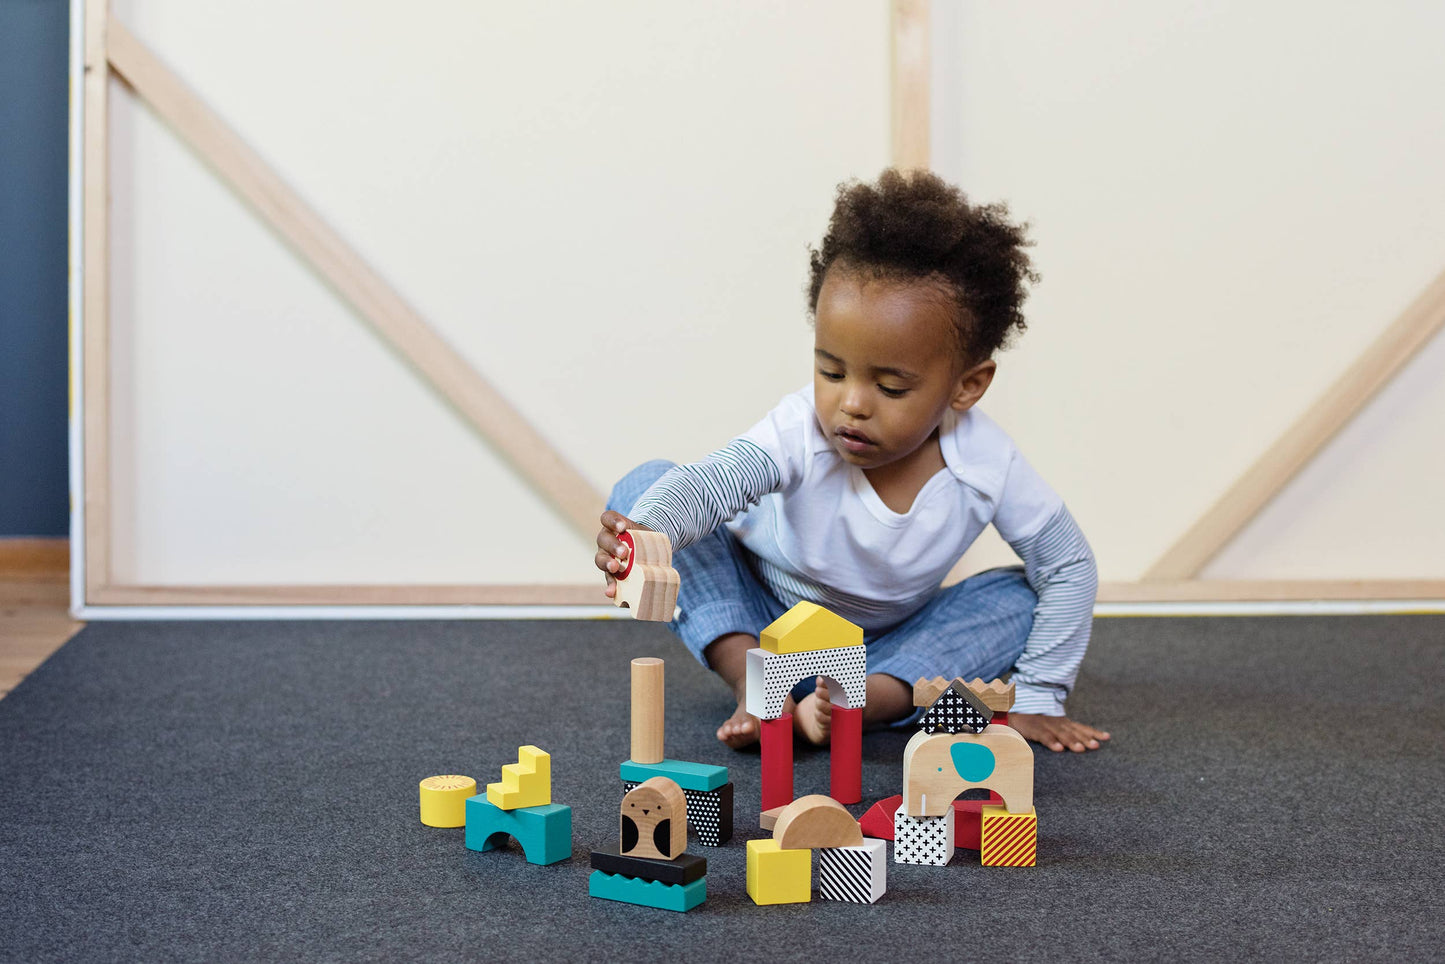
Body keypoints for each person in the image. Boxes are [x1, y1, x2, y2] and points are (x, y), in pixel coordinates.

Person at [595, 169, 1109, 755]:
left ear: (967, 386)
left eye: (891, 388)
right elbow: (715, 484)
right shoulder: (800, 429)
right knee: (651, 483)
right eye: (831, 372)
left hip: (886, 647)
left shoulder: (987, 463)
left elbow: (1069, 567)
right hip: (764, 621)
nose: (852, 404)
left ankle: (858, 703)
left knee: (1021, 597)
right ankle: (754, 688)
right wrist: (646, 536)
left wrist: (1039, 693)